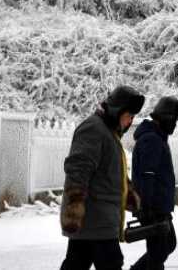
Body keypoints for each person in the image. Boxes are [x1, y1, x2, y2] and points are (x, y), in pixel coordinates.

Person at [60, 85, 146, 270]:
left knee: (76, 263)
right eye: (129, 115)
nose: (131, 121)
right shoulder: (93, 129)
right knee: (110, 262)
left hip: (98, 222)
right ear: (117, 111)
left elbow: (112, 176)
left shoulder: (108, 133)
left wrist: (132, 199)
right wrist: (73, 211)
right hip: (96, 222)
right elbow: (78, 170)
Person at [129, 95, 178, 270]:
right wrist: (147, 208)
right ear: (165, 117)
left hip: (159, 205)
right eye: (174, 120)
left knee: (167, 244)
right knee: (158, 251)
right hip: (153, 207)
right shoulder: (151, 139)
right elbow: (147, 175)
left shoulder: (156, 137)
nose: (175, 124)